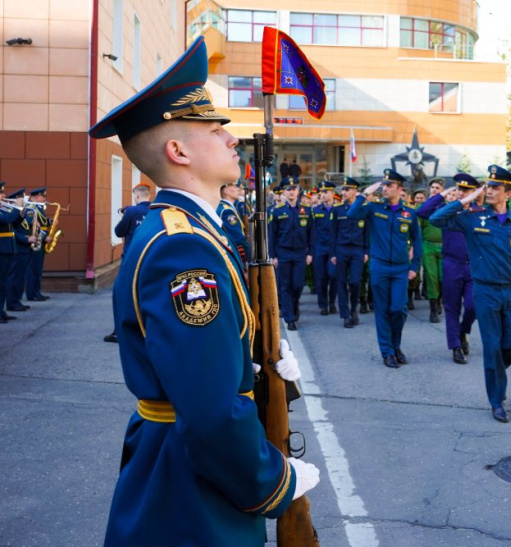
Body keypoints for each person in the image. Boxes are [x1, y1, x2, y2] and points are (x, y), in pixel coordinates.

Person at [88, 37, 319, 545]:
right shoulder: (184, 249)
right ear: (178, 151)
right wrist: (273, 483)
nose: (232, 140)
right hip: (191, 481)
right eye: (216, 131)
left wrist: (258, 370)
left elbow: (205, 361)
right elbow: (210, 410)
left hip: (183, 458)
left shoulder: (197, 231)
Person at [431, 165, 511, 423]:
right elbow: (435, 219)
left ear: (508, 193)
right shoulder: (473, 217)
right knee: (492, 346)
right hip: (485, 291)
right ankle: (496, 401)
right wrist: (464, 200)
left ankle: (497, 376)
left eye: (496, 187)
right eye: (488, 186)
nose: (490, 190)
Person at [348, 169, 422, 368]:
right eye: (384, 185)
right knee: (382, 310)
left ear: (399, 188)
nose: (385, 188)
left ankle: (396, 345)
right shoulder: (374, 208)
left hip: (400, 269)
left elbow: (417, 240)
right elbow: (351, 214)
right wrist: (364, 194)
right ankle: (387, 352)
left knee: (399, 308)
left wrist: (415, 266)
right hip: (379, 266)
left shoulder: (409, 212)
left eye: (389, 185)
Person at [417, 174, 483, 364]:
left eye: (466, 190)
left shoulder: (480, 212)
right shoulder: (447, 211)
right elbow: (422, 212)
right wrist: (442, 195)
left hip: (473, 267)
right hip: (452, 264)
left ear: (474, 192)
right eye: (459, 189)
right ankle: (455, 346)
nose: (461, 193)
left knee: (473, 306)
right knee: (452, 307)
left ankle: (463, 330)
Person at [104, 182, 153, 343]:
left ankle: (119, 331)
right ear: (149, 195)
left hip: (131, 260)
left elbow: (119, 232)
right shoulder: (157, 211)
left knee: (123, 294)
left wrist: (126, 216)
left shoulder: (131, 211)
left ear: (136, 195)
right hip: (151, 258)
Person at [269, 177, 313, 331]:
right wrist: (273, 255)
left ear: (298, 190)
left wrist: (310, 253)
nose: (292, 191)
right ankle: (290, 318)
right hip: (284, 253)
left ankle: (294, 307)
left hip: (301, 253)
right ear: (284, 192)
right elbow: (272, 235)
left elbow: (311, 233)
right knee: (285, 285)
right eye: (288, 189)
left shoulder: (306, 211)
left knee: (298, 285)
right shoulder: (277, 211)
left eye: (294, 188)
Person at [331, 177, 369, 328]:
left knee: (355, 282)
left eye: (347, 189)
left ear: (355, 191)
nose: (344, 192)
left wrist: (367, 250)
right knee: (341, 282)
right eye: (343, 189)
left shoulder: (363, 208)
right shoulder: (337, 208)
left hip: (358, 249)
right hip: (341, 248)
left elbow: (367, 231)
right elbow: (332, 233)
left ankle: (354, 309)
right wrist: (333, 253)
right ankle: (345, 315)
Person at [5, 189, 35, 313]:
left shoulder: (16, 213)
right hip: (17, 247)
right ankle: (12, 302)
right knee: (14, 277)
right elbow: (13, 231)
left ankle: (16, 300)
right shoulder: (9, 212)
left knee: (20, 276)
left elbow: (17, 225)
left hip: (22, 248)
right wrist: (25, 239)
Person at [0, 182, 25, 323]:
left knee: (3, 283)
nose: (4, 196)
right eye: (1, 193)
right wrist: (17, 207)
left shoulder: (3, 209)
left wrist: (21, 212)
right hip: (1, 250)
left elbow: (14, 224)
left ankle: (1, 311)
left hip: (7, 249)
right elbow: (6, 220)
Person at [312, 180, 337, 316]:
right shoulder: (315, 211)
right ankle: (323, 304)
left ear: (332, 193)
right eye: (321, 192)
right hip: (320, 248)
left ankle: (332, 301)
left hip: (334, 249)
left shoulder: (338, 210)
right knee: (321, 277)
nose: (322, 194)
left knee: (333, 276)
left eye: (325, 192)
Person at [420, 178, 444, 322]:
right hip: (428, 245)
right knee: (431, 277)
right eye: (432, 187)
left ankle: (440, 299)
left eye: (437, 188)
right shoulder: (424, 207)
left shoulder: (446, 207)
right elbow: (418, 228)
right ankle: (433, 309)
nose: (434, 190)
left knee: (442, 278)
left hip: (444, 247)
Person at [217, 181, 249, 265]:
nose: (238, 189)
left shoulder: (226, 207)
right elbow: (237, 238)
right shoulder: (226, 211)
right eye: (234, 186)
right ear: (226, 191)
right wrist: (249, 253)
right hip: (235, 255)